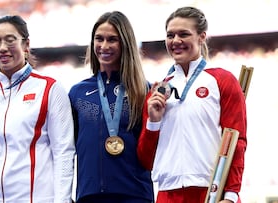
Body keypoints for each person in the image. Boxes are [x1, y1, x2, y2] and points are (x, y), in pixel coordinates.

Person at [0, 15, 75, 203]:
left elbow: (63, 153)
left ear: (26, 45)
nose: (2, 48)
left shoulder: (50, 89)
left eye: (10, 40)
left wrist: (62, 200)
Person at [137, 6, 247, 203]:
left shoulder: (222, 80)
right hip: (168, 193)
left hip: (212, 191)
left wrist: (231, 195)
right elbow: (146, 159)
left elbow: (237, 141)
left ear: (202, 36)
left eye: (184, 34)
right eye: (170, 35)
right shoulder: (158, 90)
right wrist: (153, 122)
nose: (176, 41)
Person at [69, 11, 154, 203]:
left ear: (125, 44)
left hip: (134, 195)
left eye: (112, 40)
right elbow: (65, 149)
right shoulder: (77, 93)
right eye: (99, 39)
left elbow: (152, 146)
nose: (104, 46)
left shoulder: (143, 90)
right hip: (89, 195)